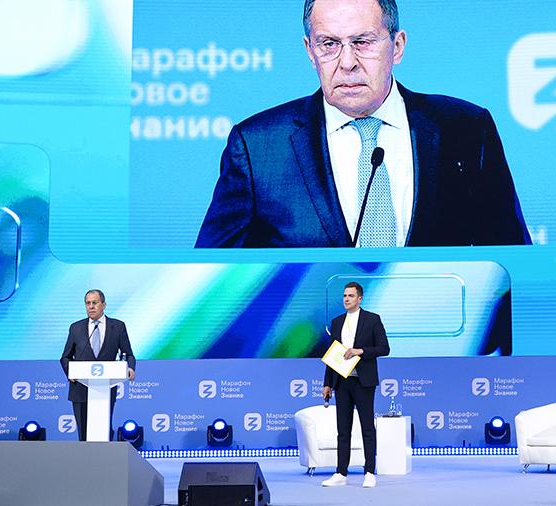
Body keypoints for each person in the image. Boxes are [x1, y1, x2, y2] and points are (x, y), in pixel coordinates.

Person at [196, 0, 530, 248]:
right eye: (329, 44)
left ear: (397, 46)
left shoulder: (466, 129)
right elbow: (209, 278)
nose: (347, 63)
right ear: (310, 51)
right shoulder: (258, 148)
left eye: (362, 42)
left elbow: (512, 261)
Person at [321, 281, 390, 488]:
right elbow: (332, 355)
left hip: (363, 381)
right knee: (343, 429)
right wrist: (327, 383)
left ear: (360, 298)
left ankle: (369, 472)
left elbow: (384, 348)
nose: (346, 299)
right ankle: (341, 473)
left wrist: (360, 351)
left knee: (367, 428)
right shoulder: (337, 322)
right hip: (342, 381)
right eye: (344, 296)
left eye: (350, 296)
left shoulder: (372, 319)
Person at [60, 289, 136, 441]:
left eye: (94, 303)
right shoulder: (76, 328)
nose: (91, 306)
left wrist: (130, 367)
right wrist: (71, 372)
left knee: (104, 431)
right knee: (83, 435)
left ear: (104, 305)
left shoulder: (118, 326)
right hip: (80, 389)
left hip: (105, 389)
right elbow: (65, 357)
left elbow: (129, 354)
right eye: (87, 303)